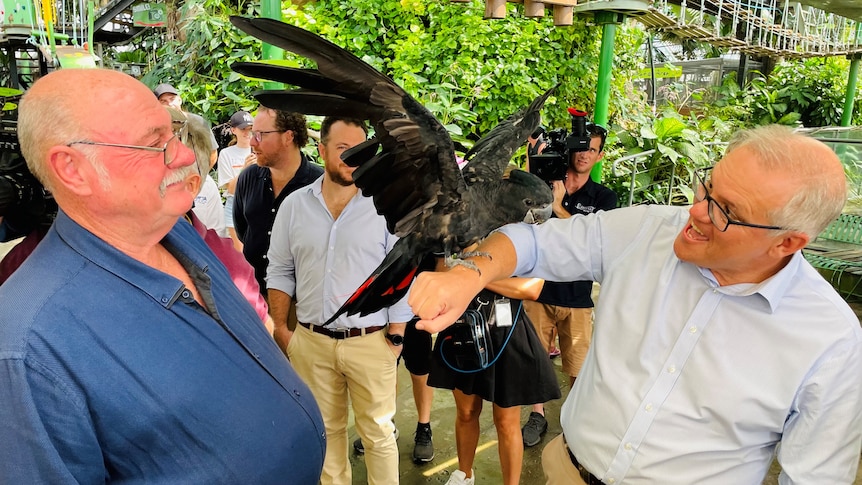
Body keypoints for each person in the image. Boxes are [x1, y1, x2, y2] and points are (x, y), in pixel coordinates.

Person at [408, 125, 862, 484]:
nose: (696, 211)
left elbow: (815, 476)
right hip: (568, 471)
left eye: (725, 210)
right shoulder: (647, 231)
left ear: (788, 242)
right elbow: (532, 243)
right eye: (706, 187)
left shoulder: (830, 342)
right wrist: (471, 273)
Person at [0, 68, 325, 483]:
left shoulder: (175, 231)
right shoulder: (27, 346)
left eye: (172, 134)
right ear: (73, 169)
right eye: (155, 144)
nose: (186, 155)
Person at [267, 116, 413, 485]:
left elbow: (402, 273)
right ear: (322, 149)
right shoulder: (295, 206)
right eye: (344, 149)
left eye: (362, 150)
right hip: (311, 342)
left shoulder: (385, 208)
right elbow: (280, 271)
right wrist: (284, 331)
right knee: (326, 434)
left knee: (378, 435)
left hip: (371, 341)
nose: (354, 158)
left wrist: (396, 335)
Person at [521, 122, 618, 448]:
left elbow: (596, 241)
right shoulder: (542, 185)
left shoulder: (604, 197)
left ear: (600, 155)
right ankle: (538, 415)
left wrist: (560, 207)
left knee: (577, 365)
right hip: (537, 289)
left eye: (591, 149)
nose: (584, 154)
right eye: (580, 147)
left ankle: (574, 420)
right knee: (534, 360)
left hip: (577, 295)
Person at [431, 273, 561, 485]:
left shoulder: (519, 240)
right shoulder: (455, 240)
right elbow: (442, 272)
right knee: (466, 412)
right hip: (464, 328)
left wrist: (474, 278)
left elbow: (532, 288)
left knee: (506, 422)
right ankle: (464, 474)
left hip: (507, 332)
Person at [234, 106, 322, 293]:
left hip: (301, 301)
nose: (252, 141)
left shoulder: (320, 185)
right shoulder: (248, 177)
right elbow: (244, 230)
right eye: (252, 134)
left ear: (288, 137)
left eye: (260, 135)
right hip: (254, 296)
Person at [153, 83, 219, 167]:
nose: (169, 104)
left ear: (179, 100)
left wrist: (202, 175)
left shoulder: (197, 121)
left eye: (172, 99)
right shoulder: (155, 126)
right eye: (163, 101)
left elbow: (212, 152)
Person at [217, 109, 255, 250]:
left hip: (257, 204)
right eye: (242, 129)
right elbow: (231, 189)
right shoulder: (226, 154)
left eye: (250, 129)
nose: (247, 133)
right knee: (240, 255)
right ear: (233, 130)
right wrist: (245, 169)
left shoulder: (261, 150)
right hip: (235, 206)